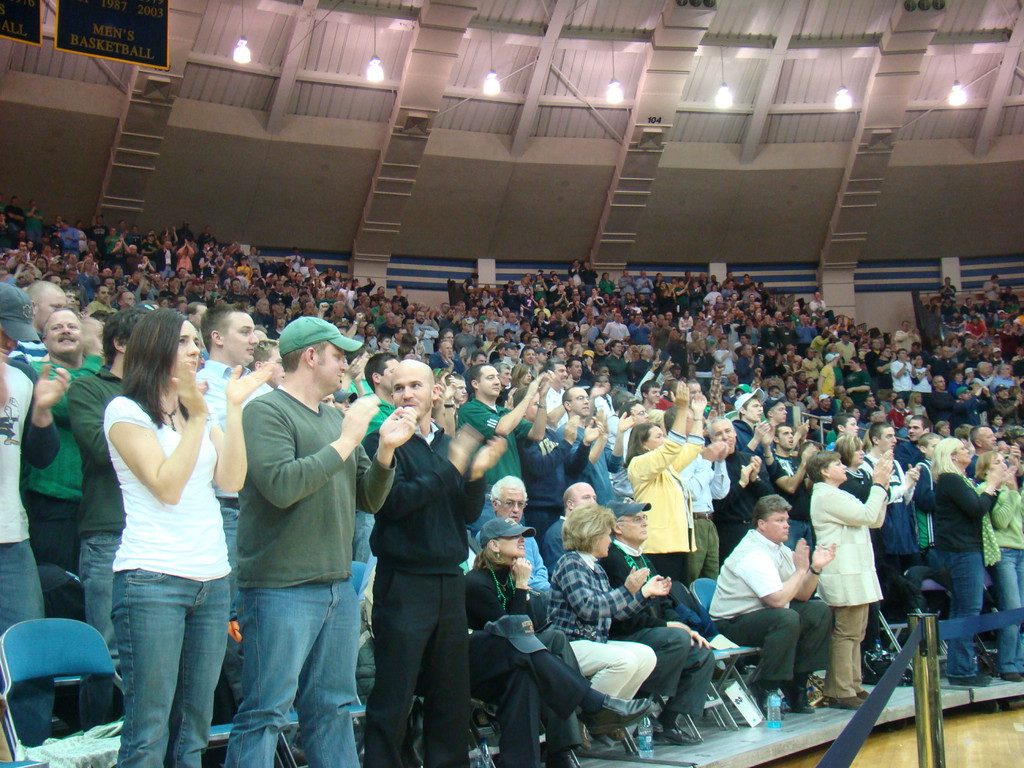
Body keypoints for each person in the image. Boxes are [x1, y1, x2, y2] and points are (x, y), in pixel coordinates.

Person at [224, 318, 415, 768]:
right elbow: (282, 486)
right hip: (279, 586)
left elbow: (368, 498)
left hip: (336, 585)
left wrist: (385, 451)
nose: (346, 365)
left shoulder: (334, 417)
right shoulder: (265, 412)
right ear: (311, 356)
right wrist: (348, 439)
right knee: (265, 712)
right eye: (339, 355)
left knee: (332, 708)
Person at [104, 308, 269, 768]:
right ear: (154, 347)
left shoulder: (196, 410)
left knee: (193, 728)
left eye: (196, 341)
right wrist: (197, 415)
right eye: (183, 341)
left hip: (212, 580)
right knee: (149, 730)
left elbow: (232, 480)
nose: (195, 350)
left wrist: (232, 408)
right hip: (152, 578)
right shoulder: (124, 411)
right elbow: (167, 487)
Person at [362, 360, 507, 768]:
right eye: (398, 388)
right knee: (394, 694)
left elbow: (466, 512)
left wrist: (475, 474)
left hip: (449, 580)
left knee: (451, 695)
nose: (406, 394)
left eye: (415, 385)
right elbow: (394, 503)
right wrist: (453, 466)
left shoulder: (449, 445)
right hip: (403, 582)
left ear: (435, 393)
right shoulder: (381, 442)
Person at [464, 517, 651, 768]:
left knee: (554, 641)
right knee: (542, 668)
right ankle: (587, 713)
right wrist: (522, 587)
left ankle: (570, 740)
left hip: (517, 659)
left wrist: (520, 587)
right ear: (494, 546)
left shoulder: (511, 576)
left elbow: (528, 630)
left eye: (523, 535)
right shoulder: (476, 583)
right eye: (514, 536)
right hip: (486, 666)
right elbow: (512, 634)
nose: (522, 540)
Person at [67, 307, 146, 727]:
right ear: (120, 344)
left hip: (153, 535)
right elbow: (101, 450)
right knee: (106, 653)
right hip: (107, 531)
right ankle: (94, 740)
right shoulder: (88, 389)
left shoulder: (162, 394)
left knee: (150, 654)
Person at [0, 283, 66, 746]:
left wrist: (42, 412)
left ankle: (31, 751)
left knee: (28, 657)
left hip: (11, 537)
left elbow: (41, 457)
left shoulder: (22, 378)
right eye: (3, 331)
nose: (10, 341)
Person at [600, 501, 715, 745]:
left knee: (701, 651)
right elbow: (620, 616)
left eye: (644, 518)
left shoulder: (642, 558)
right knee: (677, 640)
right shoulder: (612, 558)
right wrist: (668, 627)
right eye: (637, 519)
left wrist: (681, 625)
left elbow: (665, 603)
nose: (644, 523)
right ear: (617, 527)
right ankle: (639, 707)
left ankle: (668, 722)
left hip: (654, 632)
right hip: (626, 634)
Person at [710, 494, 835, 713]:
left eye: (786, 520)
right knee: (786, 618)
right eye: (779, 521)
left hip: (763, 615)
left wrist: (814, 569)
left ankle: (797, 684)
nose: (787, 525)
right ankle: (766, 685)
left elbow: (802, 595)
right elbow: (777, 600)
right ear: (761, 524)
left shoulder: (780, 549)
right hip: (731, 623)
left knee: (818, 611)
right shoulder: (752, 553)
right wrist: (800, 571)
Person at [548, 503, 666, 698]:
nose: (610, 540)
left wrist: (643, 594)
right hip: (570, 644)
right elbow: (588, 608)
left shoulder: (598, 569)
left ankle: (615, 711)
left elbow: (615, 613)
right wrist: (626, 590)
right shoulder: (571, 563)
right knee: (624, 661)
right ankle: (590, 709)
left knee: (646, 656)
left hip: (595, 643)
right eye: (607, 535)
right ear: (593, 536)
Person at [808, 450, 891, 709]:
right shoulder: (826, 495)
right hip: (843, 571)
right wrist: (878, 485)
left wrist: (883, 488)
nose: (844, 467)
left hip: (856, 570)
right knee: (846, 632)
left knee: (857, 632)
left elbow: (875, 520)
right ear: (824, 471)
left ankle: (853, 684)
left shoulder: (838, 494)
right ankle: (841, 689)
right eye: (837, 464)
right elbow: (867, 515)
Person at [931, 437, 1008, 685]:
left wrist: (993, 488)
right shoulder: (951, 479)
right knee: (968, 609)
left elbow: (980, 507)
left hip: (964, 549)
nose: (969, 451)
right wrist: (992, 485)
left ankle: (960, 668)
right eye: (963, 449)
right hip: (961, 550)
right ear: (952, 456)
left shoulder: (958, 480)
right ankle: (962, 671)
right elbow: (976, 509)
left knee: (963, 608)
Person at [625, 383, 706, 583]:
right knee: (664, 596)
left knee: (680, 594)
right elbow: (673, 446)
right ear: (643, 443)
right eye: (659, 436)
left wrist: (697, 415)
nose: (664, 440)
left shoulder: (667, 468)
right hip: (658, 548)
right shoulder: (639, 464)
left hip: (678, 544)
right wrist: (682, 409)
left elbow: (693, 447)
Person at [974, 450, 1024, 682]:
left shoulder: (1008, 490)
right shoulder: (986, 490)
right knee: (1012, 608)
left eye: (1004, 461)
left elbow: (1020, 517)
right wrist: (1011, 493)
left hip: (1020, 550)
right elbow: (1001, 521)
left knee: (1021, 610)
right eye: (997, 462)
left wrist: (1015, 490)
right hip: (1003, 553)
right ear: (986, 470)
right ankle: (1007, 664)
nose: (1004, 465)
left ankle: (1019, 661)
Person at [486, 476, 549, 591]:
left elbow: (542, 571)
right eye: (509, 503)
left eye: (520, 504)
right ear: (495, 504)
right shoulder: (488, 536)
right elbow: (512, 576)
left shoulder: (528, 536)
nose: (516, 509)